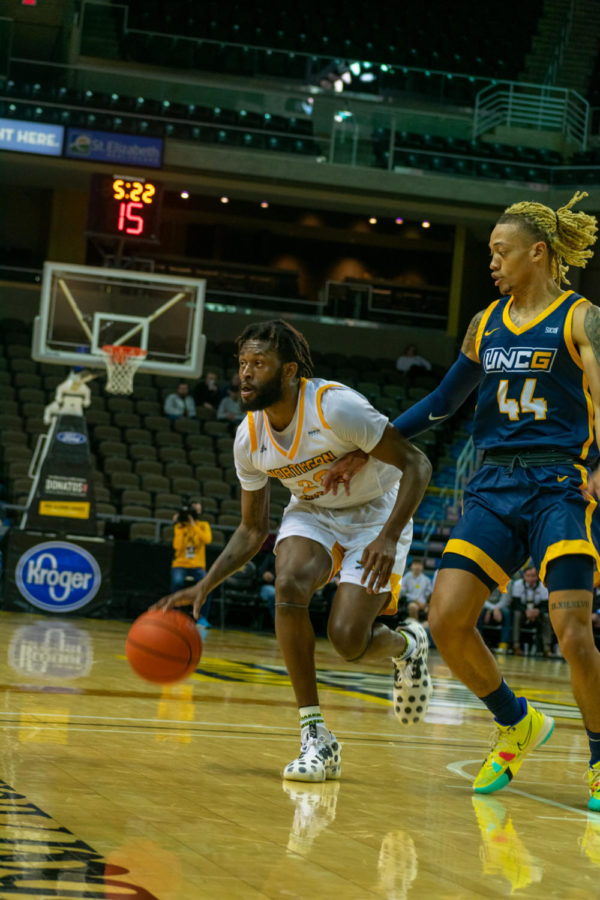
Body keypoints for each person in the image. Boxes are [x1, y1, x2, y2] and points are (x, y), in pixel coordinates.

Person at [322, 192, 600, 810]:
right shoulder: (485, 323)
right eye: (490, 254)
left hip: (562, 484)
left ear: (539, 252)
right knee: (446, 620)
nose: (493, 263)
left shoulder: (583, 318)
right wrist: (371, 444)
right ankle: (516, 720)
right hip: (494, 486)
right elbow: (443, 403)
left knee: (571, 629)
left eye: (502, 252)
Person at [155, 318, 432, 782]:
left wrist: (388, 534)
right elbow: (251, 529)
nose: (244, 373)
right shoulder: (250, 437)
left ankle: (408, 645)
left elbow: (417, 464)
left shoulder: (336, 408)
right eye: (242, 363)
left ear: (289, 372)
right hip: (313, 510)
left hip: (376, 512)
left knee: (347, 640)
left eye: (258, 364)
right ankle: (315, 736)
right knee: (288, 581)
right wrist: (206, 583)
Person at [170, 500, 213, 628]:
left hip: (197, 566)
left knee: (208, 584)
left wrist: (194, 525)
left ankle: (201, 617)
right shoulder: (179, 527)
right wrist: (180, 525)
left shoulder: (203, 525)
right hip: (180, 564)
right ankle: (175, 613)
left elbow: (207, 539)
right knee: (177, 581)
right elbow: (177, 546)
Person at [510, 565, 552, 657]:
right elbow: (516, 604)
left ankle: (547, 648)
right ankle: (516, 646)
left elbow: (545, 605)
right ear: (524, 576)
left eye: (533, 576)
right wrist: (526, 611)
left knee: (546, 616)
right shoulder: (518, 584)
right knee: (516, 614)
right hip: (523, 611)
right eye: (528, 576)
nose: (531, 578)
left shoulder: (543, 586)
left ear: (537, 577)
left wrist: (538, 611)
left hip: (537, 612)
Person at [477, 586, 512, 651]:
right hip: (486, 605)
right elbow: (481, 598)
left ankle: (503, 643)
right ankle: (478, 642)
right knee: (478, 612)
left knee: (507, 613)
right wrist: (492, 609)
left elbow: (506, 600)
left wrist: (495, 609)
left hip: (501, 606)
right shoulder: (485, 579)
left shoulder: (507, 581)